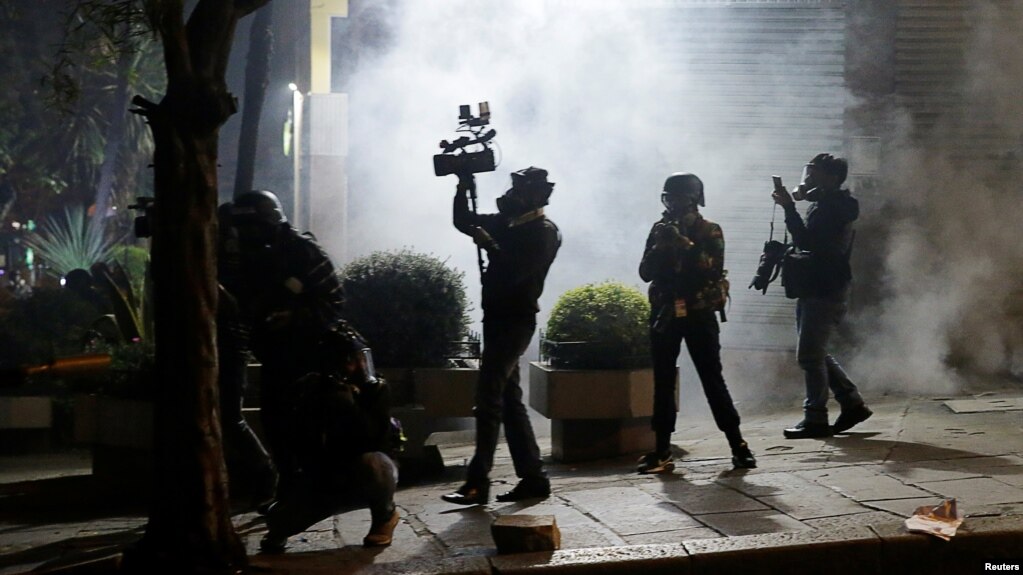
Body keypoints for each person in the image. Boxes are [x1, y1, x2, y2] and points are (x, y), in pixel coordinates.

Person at [441, 167, 561, 505]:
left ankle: (478, 481)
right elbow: (464, 221)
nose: (511, 195)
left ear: (535, 196)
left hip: (515, 322)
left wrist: (490, 244)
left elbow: (515, 272)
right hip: (496, 319)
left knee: (489, 398)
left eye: (519, 190)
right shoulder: (510, 222)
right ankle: (534, 478)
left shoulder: (543, 232)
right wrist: (462, 185)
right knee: (509, 402)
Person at [230, 190, 347, 502]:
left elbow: (334, 301)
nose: (248, 235)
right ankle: (288, 487)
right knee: (274, 422)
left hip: (308, 356)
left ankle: (311, 490)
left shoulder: (302, 251)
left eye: (254, 227)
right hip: (273, 355)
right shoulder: (244, 257)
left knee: (306, 427)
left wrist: (294, 316)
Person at [637, 172, 756, 474]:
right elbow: (645, 272)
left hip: (699, 313)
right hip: (666, 312)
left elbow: (711, 270)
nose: (672, 204)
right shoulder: (658, 230)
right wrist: (660, 246)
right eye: (668, 198)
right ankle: (661, 449)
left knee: (712, 379)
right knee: (663, 382)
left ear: (694, 200)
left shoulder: (710, 230)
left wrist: (685, 244)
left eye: (678, 198)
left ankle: (738, 445)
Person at [260, 324, 400, 552]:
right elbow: (297, 445)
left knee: (376, 464)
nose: (360, 365)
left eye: (362, 357)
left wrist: (349, 406)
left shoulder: (376, 390)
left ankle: (385, 516)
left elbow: (375, 440)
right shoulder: (311, 391)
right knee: (278, 521)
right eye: (352, 360)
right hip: (325, 478)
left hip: (363, 471)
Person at [771, 153, 872, 439]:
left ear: (831, 178)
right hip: (815, 286)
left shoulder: (835, 208)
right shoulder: (825, 205)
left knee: (809, 356)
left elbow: (808, 241)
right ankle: (852, 403)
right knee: (815, 352)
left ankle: (815, 418)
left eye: (815, 174)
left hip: (825, 288)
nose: (809, 180)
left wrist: (790, 208)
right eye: (809, 173)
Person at [216, 202, 277, 509]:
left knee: (230, 416)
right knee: (226, 417)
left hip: (231, 342)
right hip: (223, 341)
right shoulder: (231, 256)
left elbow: (238, 305)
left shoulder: (246, 261)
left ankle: (265, 472)